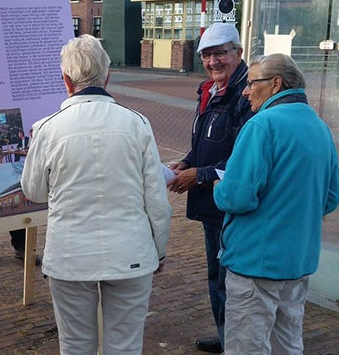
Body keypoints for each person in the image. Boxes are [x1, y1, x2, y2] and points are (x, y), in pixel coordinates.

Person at [21, 34, 172, 354]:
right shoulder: (137, 124)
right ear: (108, 76)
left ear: (66, 81)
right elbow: (157, 201)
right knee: (126, 344)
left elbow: (33, 192)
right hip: (131, 252)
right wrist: (157, 250)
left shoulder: (48, 128)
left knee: (75, 344)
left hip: (70, 255)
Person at [214, 53, 339, 354]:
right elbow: (331, 198)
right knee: (287, 344)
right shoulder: (319, 126)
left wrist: (220, 187)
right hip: (298, 262)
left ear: (275, 84)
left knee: (247, 347)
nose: (245, 91)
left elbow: (238, 196)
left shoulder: (262, 126)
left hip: (256, 263)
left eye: (250, 83)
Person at [167, 22, 253, 354]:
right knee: (217, 275)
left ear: (237, 53)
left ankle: (236, 342)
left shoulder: (247, 96)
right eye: (206, 55)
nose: (213, 62)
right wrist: (187, 163)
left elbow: (246, 160)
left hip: (229, 205)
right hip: (210, 203)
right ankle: (227, 335)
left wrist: (199, 175)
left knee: (231, 279)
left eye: (220, 54)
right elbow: (205, 144)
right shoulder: (210, 90)